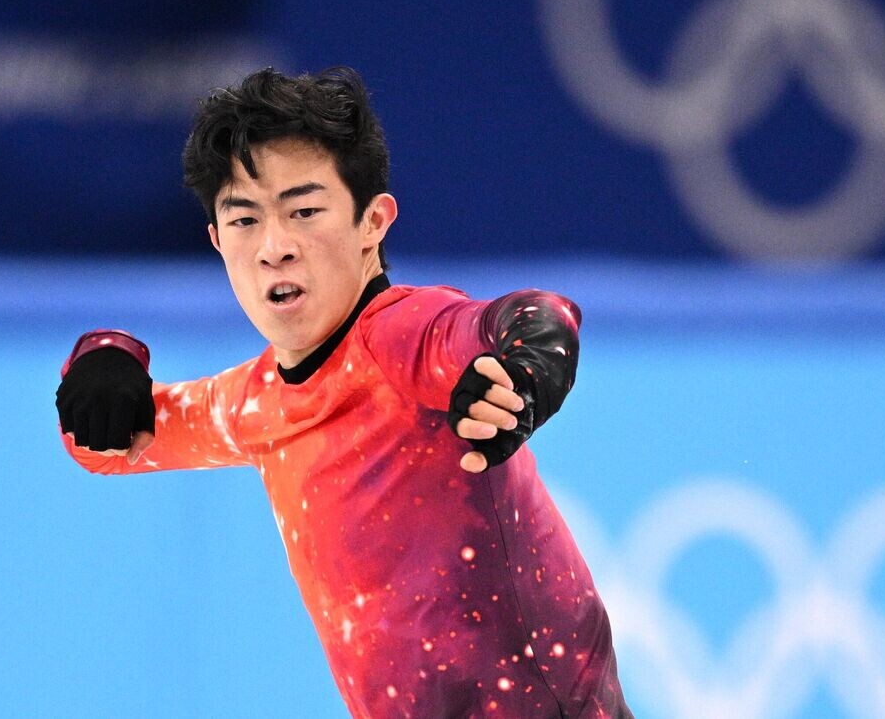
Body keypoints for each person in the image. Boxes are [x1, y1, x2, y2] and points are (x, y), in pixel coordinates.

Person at [55, 66, 632, 718]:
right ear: (216, 240)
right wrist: (105, 357)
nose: (274, 247)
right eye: (244, 219)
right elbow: (107, 442)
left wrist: (527, 370)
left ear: (372, 221)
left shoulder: (402, 336)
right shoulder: (255, 403)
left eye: (304, 211)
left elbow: (531, 317)